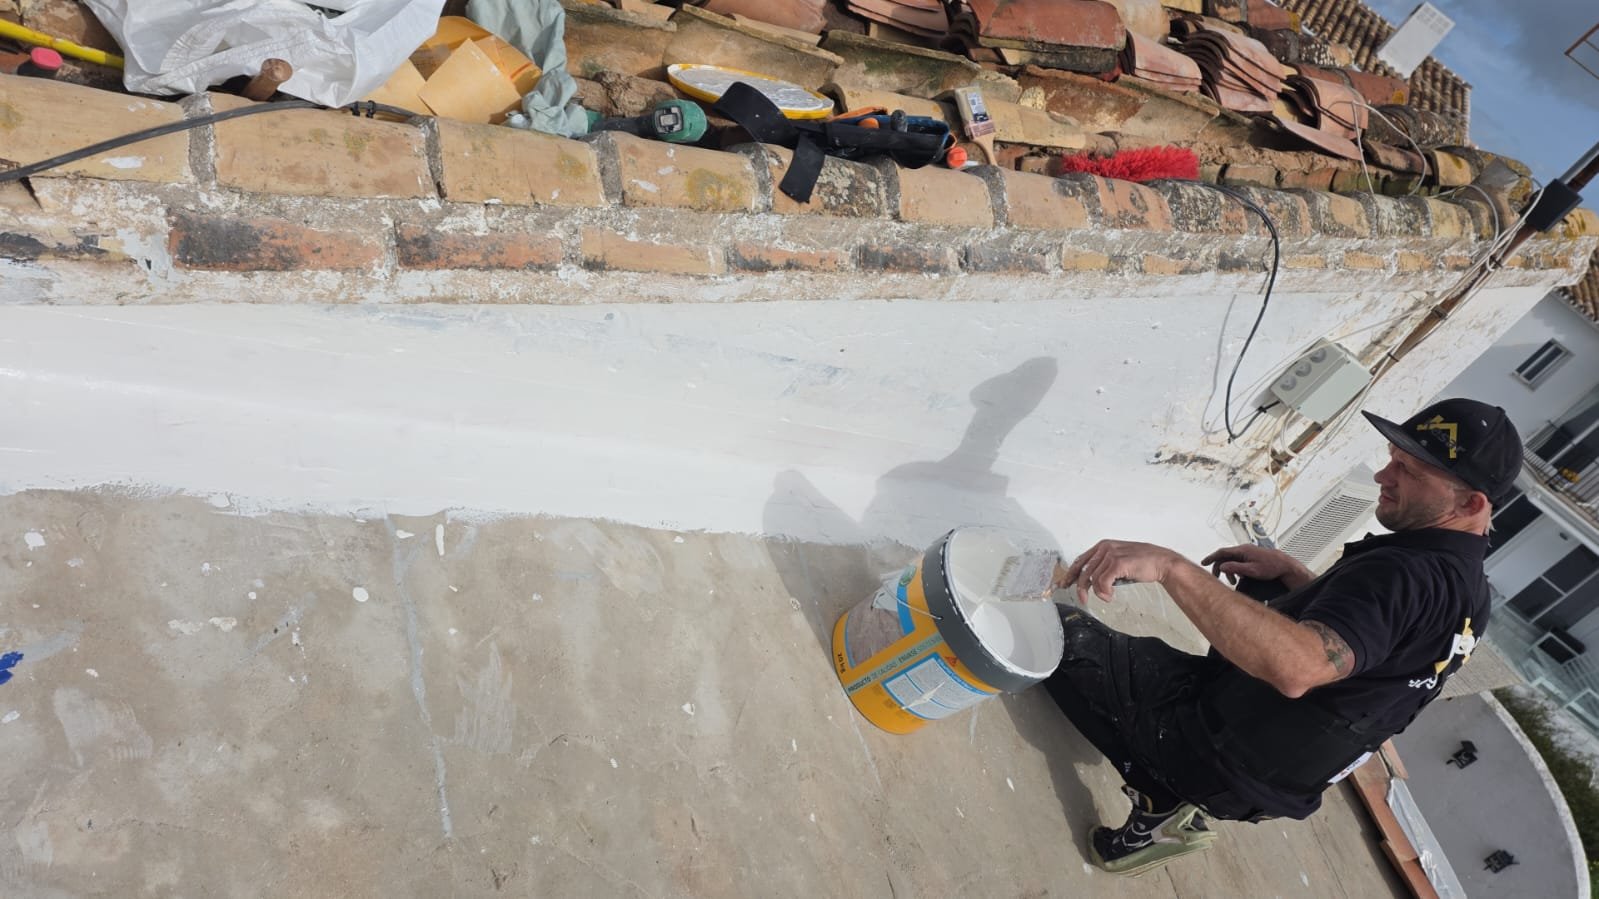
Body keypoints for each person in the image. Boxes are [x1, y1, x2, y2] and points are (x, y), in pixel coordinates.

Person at [1044, 398, 1522, 876]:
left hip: (1224, 762)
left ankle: (1160, 791)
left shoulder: (1406, 575)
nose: (1383, 476)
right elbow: (1383, 640)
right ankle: (1178, 771)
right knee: (1271, 588)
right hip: (1281, 776)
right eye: (1392, 459)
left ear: (1470, 503)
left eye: (1409, 472)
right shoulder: (1467, 588)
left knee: (1061, 638)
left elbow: (1298, 668)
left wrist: (1171, 567)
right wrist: (1296, 577)